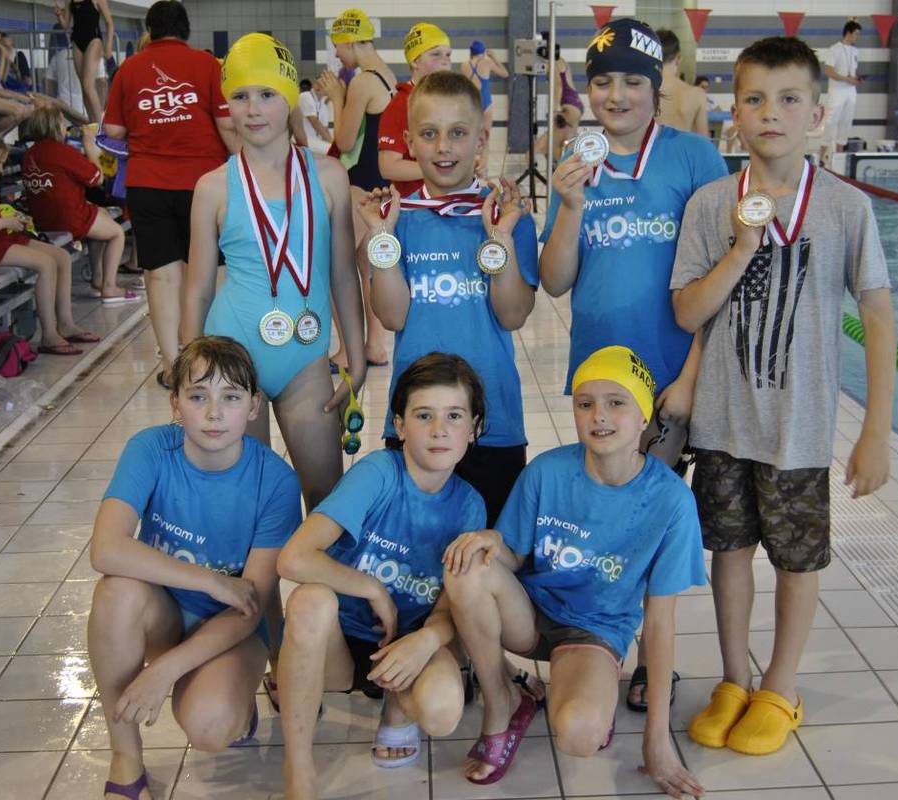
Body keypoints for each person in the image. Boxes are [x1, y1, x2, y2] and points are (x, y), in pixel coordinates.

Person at [670, 36, 895, 755]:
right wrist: (740, 248)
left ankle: (781, 686)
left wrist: (876, 430)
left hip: (799, 427)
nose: (771, 113)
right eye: (755, 99)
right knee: (729, 551)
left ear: (816, 115)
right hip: (720, 421)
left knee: (797, 560)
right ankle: (735, 678)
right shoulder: (711, 204)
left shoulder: (846, 208)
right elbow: (687, 312)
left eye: (788, 99)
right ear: (732, 112)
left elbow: (878, 314)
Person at [540, 19, 726, 711]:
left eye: (631, 82)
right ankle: (603, 638)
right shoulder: (575, 159)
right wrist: (570, 205)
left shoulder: (693, 158)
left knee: (653, 519)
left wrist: (691, 377)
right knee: (607, 518)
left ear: (656, 87)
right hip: (599, 381)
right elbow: (554, 280)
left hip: (669, 377)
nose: (615, 95)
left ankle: (654, 658)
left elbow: (721, 281)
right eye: (602, 82)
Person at [443, 345, 707, 795]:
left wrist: (657, 739)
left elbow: (660, 623)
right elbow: (514, 557)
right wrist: (492, 543)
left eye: (616, 402)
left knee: (579, 734)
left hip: (593, 631)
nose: (599, 415)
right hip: (529, 615)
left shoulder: (671, 502)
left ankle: (589, 691)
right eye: (585, 404)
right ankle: (503, 704)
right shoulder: (547, 471)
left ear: (644, 416)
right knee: (468, 564)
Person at [87, 336, 302, 800]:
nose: (214, 413)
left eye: (231, 398)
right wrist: (212, 581)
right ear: (175, 404)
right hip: (164, 613)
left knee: (210, 726)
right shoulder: (150, 449)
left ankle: (233, 691)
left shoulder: (276, 482)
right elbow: (105, 549)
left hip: (233, 629)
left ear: (254, 406)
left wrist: (163, 672)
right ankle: (126, 757)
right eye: (198, 396)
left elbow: (249, 605)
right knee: (115, 591)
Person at [276, 353, 488, 799]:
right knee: (309, 600)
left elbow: (452, 608)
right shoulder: (378, 474)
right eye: (424, 415)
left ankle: (397, 709)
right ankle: (299, 770)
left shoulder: (469, 506)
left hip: (404, 645)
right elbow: (293, 558)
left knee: (442, 709)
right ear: (400, 425)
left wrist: (425, 641)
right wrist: (371, 588)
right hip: (340, 643)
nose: (439, 429)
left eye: (454, 416)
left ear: (474, 428)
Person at [183, 32, 365, 512]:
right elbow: (198, 287)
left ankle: (316, 570)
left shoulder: (329, 176)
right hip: (231, 357)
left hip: (305, 359)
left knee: (326, 496)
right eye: (240, 96)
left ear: (289, 100)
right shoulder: (213, 187)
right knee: (252, 503)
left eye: (267, 94)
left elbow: (343, 273)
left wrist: (357, 352)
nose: (253, 109)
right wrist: (188, 370)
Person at [359, 71, 538, 526]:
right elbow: (392, 316)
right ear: (408, 142)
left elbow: (513, 314)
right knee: (415, 549)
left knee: (490, 548)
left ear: (481, 139)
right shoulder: (398, 221)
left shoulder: (507, 217)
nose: (443, 147)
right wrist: (381, 236)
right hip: (415, 419)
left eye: (458, 133)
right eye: (428, 134)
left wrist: (499, 238)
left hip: (492, 420)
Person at [103, 0, 237, 389]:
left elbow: (112, 130)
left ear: (150, 29)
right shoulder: (207, 65)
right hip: (204, 183)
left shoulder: (129, 69)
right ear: (185, 28)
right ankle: (210, 356)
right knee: (212, 271)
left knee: (161, 275)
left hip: (147, 182)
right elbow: (226, 123)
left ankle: (172, 363)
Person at [319, 8, 396, 371]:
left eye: (337, 45)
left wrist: (337, 96)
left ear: (350, 41)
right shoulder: (388, 75)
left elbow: (345, 141)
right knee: (366, 266)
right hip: (380, 185)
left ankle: (348, 351)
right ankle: (375, 345)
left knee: (333, 266)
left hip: (359, 185)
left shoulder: (363, 81)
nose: (336, 53)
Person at [0, 133, 99, 355]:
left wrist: (12, 218)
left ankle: (66, 323)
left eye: (2, 164)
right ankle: (49, 334)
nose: (0, 170)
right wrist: (4, 222)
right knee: (46, 264)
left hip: (1, 237)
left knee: (61, 256)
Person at [21, 106, 137, 305]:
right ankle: (109, 287)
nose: (65, 128)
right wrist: (89, 145)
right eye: (62, 124)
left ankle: (98, 278)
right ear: (55, 127)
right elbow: (98, 178)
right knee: (117, 233)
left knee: (101, 214)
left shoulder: (29, 154)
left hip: (42, 219)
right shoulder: (62, 152)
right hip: (68, 218)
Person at [378, 22, 452, 200]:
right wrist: (441, 168)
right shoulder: (401, 105)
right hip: (416, 206)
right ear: (414, 61)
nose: (445, 61)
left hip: (444, 200)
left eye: (448, 54)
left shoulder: (446, 100)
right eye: (435, 54)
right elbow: (388, 167)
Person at [54, 0, 114, 123]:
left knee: (88, 86)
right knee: (84, 88)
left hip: (94, 40)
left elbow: (109, 23)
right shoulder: (69, 2)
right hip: (77, 42)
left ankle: (100, 125)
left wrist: (108, 45)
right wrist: (59, 15)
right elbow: (65, 26)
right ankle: (93, 123)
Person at [461, 40, 508, 174]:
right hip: (486, 102)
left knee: (470, 137)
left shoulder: (464, 65)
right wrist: (494, 57)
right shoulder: (487, 62)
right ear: (483, 51)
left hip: (471, 103)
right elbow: (505, 73)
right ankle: (483, 169)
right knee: (485, 138)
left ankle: (470, 167)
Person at [820, 20, 863, 166]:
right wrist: (846, 79)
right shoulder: (834, 49)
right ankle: (822, 155)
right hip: (837, 91)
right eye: (856, 34)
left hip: (851, 91)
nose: (857, 37)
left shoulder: (855, 51)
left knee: (846, 122)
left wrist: (855, 79)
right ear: (848, 33)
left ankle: (839, 156)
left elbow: (852, 71)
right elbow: (828, 71)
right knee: (831, 121)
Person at [654, 29, 708, 136]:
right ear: (678, 58)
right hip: (684, 147)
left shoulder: (642, 92)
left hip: (649, 147)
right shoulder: (697, 94)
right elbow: (703, 140)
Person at [296, 77, 332, 155]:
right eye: (317, 83)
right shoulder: (305, 96)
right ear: (313, 85)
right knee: (331, 150)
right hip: (302, 139)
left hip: (314, 140)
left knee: (334, 149)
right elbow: (315, 123)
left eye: (323, 84)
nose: (319, 87)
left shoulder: (323, 105)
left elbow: (325, 129)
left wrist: (333, 143)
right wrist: (333, 146)